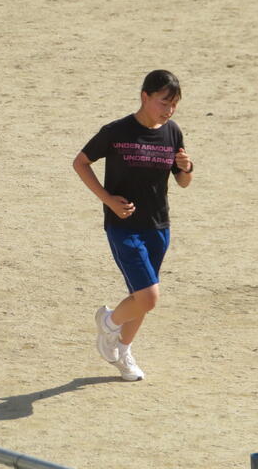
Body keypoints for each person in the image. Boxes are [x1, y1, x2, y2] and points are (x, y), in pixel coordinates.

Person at [72, 69, 193, 381]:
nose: (169, 110)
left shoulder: (172, 132)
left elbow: (183, 182)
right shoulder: (117, 131)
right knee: (148, 296)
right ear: (144, 97)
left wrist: (186, 168)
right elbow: (80, 163)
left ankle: (123, 352)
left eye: (174, 104)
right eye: (164, 102)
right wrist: (108, 200)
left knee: (139, 295)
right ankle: (109, 324)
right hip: (124, 225)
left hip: (159, 226)